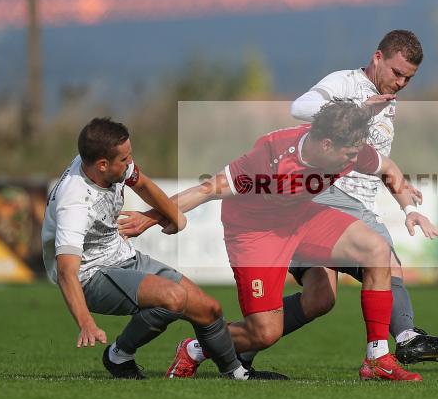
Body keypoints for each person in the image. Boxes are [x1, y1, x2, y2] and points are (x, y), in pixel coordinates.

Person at [122, 101, 438, 381]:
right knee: (264, 333)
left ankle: (377, 359)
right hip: (255, 231)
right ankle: (194, 349)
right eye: (350, 154)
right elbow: (206, 190)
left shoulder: (350, 148)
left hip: (300, 217)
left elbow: (386, 167)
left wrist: (410, 209)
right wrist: (151, 217)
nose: (355, 159)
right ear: (326, 145)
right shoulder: (270, 157)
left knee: (374, 251)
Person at [252, 29, 438, 367]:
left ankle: (221, 349)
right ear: (377, 58)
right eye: (396, 73)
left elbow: (379, 163)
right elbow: (299, 107)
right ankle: (404, 341)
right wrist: (356, 109)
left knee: (319, 299)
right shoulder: (347, 84)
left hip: (342, 203)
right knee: (383, 258)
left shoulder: (387, 102)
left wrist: (408, 208)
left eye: (408, 79)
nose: (400, 83)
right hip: (326, 195)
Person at [42, 117, 280, 380]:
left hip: (122, 255)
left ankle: (236, 373)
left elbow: (142, 184)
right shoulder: (74, 203)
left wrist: (175, 217)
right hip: (89, 276)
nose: (130, 163)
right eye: (125, 159)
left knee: (209, 309)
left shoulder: (105, 163)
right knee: (173, 297)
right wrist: (86, 322)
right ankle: (119, 356)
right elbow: (66, 271)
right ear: (102, 165)